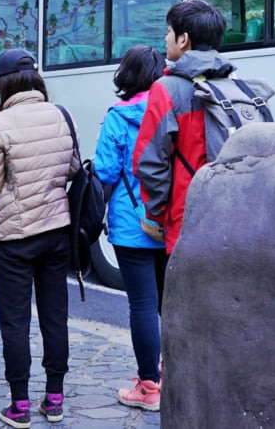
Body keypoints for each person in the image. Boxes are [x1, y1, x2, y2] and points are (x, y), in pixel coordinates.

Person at [0, 48, 79, 428]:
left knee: (15, 321)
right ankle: (54, 399)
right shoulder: (62, 115)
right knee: (56, 316)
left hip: (14, 235)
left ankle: (19, 405)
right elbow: (72, 168)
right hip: (57, 230)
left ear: (2, 84)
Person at [92, 45, 168, 411]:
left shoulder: (119, 117)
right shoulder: (176, 109)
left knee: (142, 304)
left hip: (132, 222)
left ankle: (149, 387)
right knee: (171, 305)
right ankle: (176, 375)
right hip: (172, 220)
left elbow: (105, 172)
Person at [133, 0, 230, 256]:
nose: (165, 39)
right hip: (233, 213)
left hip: (186, 218)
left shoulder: (166, 89)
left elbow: (149, 162)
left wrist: (156, 214)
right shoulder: (234, 85)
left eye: (169, 32)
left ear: (183, 39)